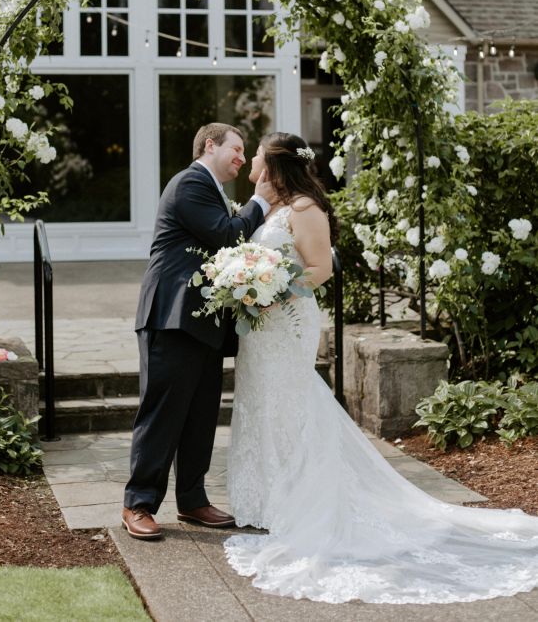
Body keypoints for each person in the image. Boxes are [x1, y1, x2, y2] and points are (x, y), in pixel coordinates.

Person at [225, 131, 538, 605]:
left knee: (290, 400)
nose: (250, 162)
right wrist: (247, 284)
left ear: (274, 166)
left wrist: (270, 287)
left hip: (286, 320)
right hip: (259, 327)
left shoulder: (306, 209)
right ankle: (265, 498)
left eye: (258, 157)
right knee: (260, 401)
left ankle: (298, 499)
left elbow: (319, 269)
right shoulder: (265, 207)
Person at [122, 122, 275, 540]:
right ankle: (138, 503)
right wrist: (260, 202)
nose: (243, 159)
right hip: (171, 317)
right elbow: (227, 235)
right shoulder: (190, 183)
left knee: (200, 415)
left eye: (246, 152)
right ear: (210, 145)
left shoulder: (215, 191)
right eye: (237, 149)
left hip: (204, 321)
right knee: (162, 414)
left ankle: (192, 500)